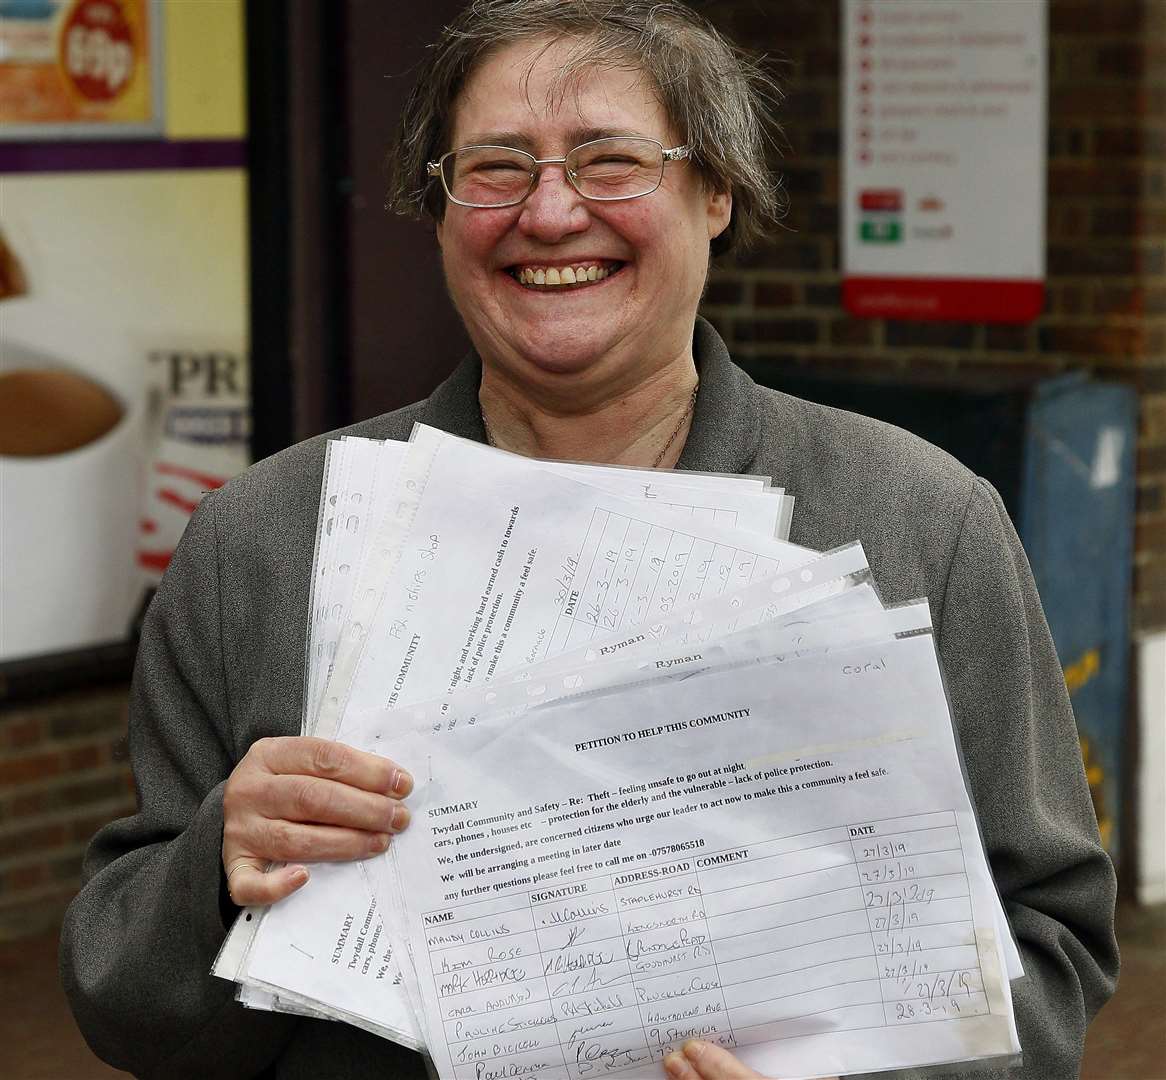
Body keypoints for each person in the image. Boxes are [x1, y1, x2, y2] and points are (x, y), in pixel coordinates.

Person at [60, 2, 1118, 1078]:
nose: (550, 212)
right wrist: (218, 867)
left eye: (611, 161)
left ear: (716, 193)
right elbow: (126, 1002)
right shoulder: (267, 538)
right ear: (438, 209)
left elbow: (1048, 943)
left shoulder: (916, 521)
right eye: (496, 166)